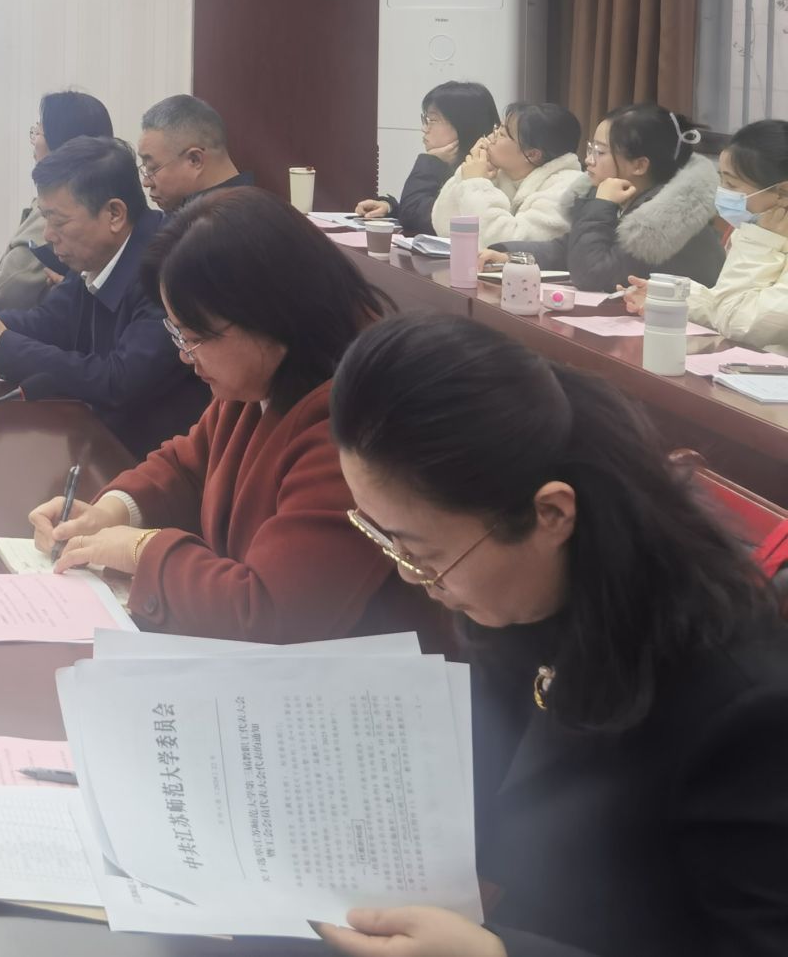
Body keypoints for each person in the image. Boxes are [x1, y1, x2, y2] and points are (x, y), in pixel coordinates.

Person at [316, 312, 788, 957]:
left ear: (552, 513)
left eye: (424, 554)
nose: (413, 576)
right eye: (386, 538)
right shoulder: (523, 600)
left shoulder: (744, 706)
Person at [26, 188, 438, 644]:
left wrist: (143, 549)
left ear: (272, 315)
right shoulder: (256, 381)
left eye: (195, 337)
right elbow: (187, 465)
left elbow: (267, 611)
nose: (185, 357)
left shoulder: (356, 424)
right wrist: (110, 511)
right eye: (177, 334)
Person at [0, 136, 207, 457]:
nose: (48, 235)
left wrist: (0, 346)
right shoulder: (97, 253)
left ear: (114, 214)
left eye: (59, 221)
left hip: (146, 457)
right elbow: (51, 322)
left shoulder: (168, 267)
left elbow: (119, 381)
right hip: (95, 440)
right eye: (45, 218)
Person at [487, 103, 724, 292]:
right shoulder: (629, 196)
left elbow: (591, 274)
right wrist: (511, 256)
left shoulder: (663, 221)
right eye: (590, 148)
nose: (588, 159)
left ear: (639, 165)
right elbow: (568, 248)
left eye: (599, 152)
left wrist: (601, 205)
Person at [620, 118, 788, 350]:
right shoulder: (758, 231)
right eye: (722, 180)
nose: (722, 192)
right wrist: (673, 297)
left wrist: (760, 244)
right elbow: (727, 307)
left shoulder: (760, 238)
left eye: (732, 184)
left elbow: (736, 321)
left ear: (782, 192)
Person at [0, 90, 114, 312]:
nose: (33, 141)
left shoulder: (61, 209)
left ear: (62, 143)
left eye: (38, 132)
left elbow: (6, 290)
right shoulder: (79, 198)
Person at [429, 100, 590, 245]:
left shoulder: (566, 189)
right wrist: (465, 176)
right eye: (496, 129)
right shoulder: (501, 173)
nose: (490, 137)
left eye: (502, 134)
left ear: (532, 154)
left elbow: (508, 244)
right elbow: (445, 227)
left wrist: (475, 184)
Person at [356, 80, 500, 236]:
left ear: (464, 125)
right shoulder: (452, 164)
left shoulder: (482, 172)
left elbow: (419, 218)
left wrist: (430, 161)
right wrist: (389, 208)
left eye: (432, 120)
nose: (424, 129)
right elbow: (428, 208)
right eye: (425, 120)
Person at [134, 95, 252, 213]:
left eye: (153, 168)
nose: (146, 183)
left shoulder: (232, 220)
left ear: (194, 160)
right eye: (145, 168)